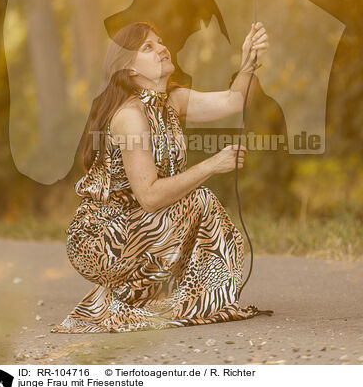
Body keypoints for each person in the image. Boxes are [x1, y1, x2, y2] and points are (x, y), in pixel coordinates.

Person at [51, 20, 272, 333]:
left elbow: (235, 101)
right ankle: (151, 300)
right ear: (129, 70)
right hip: (101, 240)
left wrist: (249, 61)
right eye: (148, 47)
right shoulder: (130, 117)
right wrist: (211, 165)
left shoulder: (171, 101)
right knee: (199, 200)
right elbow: (150, 196)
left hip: (139, 225)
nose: (162, 49)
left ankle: (175, 299)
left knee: (195, 202)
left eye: (160, 41)